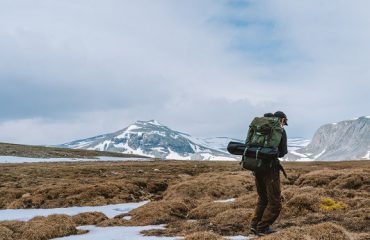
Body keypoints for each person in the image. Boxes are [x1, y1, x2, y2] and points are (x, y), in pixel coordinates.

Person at [250, 111, 288, 236]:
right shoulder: (278, 130)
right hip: (270, 170)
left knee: (263, 199)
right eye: (284, 122)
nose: (284, 124)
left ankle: (254, 226)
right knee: (275, 202)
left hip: (257, 167)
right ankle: (262, 228)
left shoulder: (259, 128)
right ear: (282, 119)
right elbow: (282, 152)